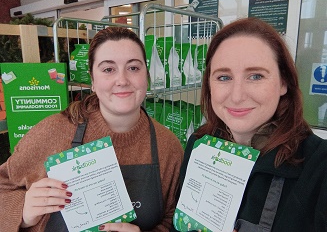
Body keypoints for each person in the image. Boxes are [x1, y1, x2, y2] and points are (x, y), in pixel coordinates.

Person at [0, 26, 184, 232]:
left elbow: (173, 218)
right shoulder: (54, 131)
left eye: (133, 68)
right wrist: (22, 213)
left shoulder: (168, 145)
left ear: (146, 77)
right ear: (93, 81)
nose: (122, 80)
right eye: (108, 69)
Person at [176, 17, 327, 232]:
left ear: (283, 82)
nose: (237, 96)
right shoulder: (199, 144)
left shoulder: (319, 166)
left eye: (255, 76)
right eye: (224, 77)